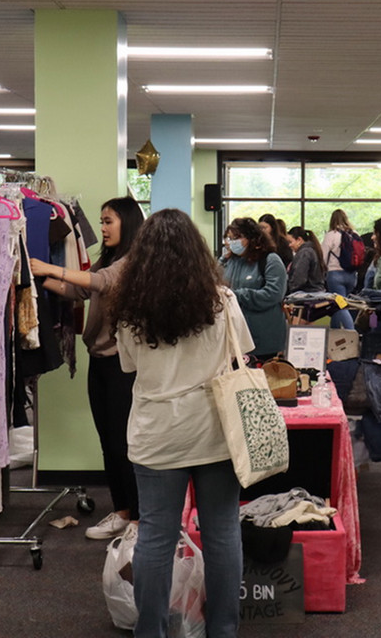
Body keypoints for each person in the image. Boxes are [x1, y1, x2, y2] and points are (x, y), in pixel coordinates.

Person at [111, 208, 251, 638]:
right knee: (222, 530)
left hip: (157, 433)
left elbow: (129, 366)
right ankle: (223, 630)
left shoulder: (131, 306)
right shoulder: (221, 300)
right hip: (214, 428)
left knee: (155, 536)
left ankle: (150, 631)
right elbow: (240, 350)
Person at [30, 196, 145, 540]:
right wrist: (34, 278)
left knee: (125, 444)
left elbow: (102, 283)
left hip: (124, 366)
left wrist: (49, 267)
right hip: (100, 362)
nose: (104, 228)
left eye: (109, 221)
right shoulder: (107, 259)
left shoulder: (131, 262)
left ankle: (139, 518)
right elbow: (78, 291)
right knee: (109, 441)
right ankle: (122, 511)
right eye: (102, 221)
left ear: (127, 222)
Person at [220, 217, 287, 362]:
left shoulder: (270, 260)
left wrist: (237, 295)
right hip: (235, 338)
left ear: (252, 238)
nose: (232, 242)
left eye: (237, 238)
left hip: (264, 338)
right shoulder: (230, 261)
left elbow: (274, 294)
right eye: (230, 238)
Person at [322, 209, 359, 329]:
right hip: (352, 275)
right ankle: (335, 336)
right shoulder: (354, 234)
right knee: (338, 305)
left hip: (335, 275)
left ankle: (352, 335)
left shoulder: (331, 235)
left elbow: (323, 256)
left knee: (341, 305)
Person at [285, 226, 326, 294]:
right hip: (317, 292)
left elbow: (299, 278)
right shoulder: (313, 250)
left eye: (290, 242)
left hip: (307, 293)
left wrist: (288, 289)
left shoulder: (304, 253)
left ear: (299, 240)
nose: (289, 245)